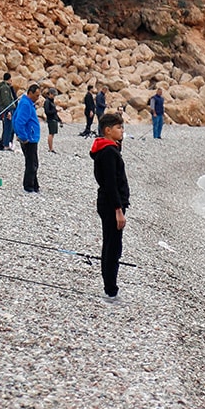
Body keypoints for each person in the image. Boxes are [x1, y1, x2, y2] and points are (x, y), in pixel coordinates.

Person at [90, 113, 129, 303]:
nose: (122, 131)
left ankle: (109, 286)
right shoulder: (108, 152)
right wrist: (118, 210)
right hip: (111, 205)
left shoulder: (109, 149)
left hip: (109, 203)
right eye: (119, 127)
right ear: (108, 130)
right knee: (112, 247)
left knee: (111, 244)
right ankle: (110, 289)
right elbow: (111, 184)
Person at [13, 84, 42, 193]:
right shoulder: (26, 104)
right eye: (36, 95)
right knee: (31, 163)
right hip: (29, 138)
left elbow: (15, 118)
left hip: (31, 137)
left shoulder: (27, 103)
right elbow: (19, 122)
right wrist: (23, 137)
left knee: (33, 162)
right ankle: (29, 186)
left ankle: (34, 185)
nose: (37, 98)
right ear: (30, 93)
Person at [0, 72, 16, 151]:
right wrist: (8, 111)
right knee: (8, 128)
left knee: (9, 127)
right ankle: (6, 144)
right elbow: (6, 101)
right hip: (7, 111)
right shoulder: (4, 88)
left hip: (7, 111)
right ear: (9, 79)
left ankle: (7, 143)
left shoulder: (7, 87)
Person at [43, 88, 60, 153]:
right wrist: (55, 110)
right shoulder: (47, 101)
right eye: (53, 95)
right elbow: (47, 111)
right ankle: (50, 148)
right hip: (51, 119)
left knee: (53, 134)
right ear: (49, 94)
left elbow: (54, 112)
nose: (54, 96)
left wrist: (59, 119)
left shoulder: (51, 101)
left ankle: (51, 147)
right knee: (51, 133)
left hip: (54, 119)